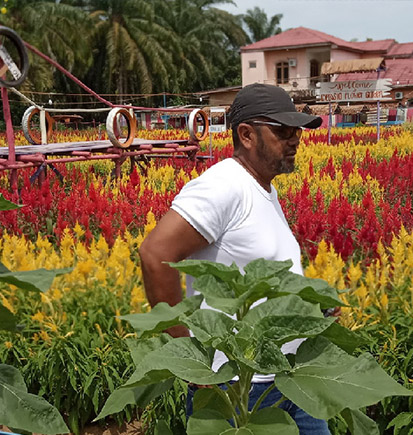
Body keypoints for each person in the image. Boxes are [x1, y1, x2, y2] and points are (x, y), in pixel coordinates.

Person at [138, 83, 330, 434]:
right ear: (246, 134)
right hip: (241, 388)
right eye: (282, 131)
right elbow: (155, 254)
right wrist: (193, 362)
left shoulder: (263, 189)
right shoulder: (224, 186)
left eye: (297, 131)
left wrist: (312, 309)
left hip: (286, 379)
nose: (295, 140)